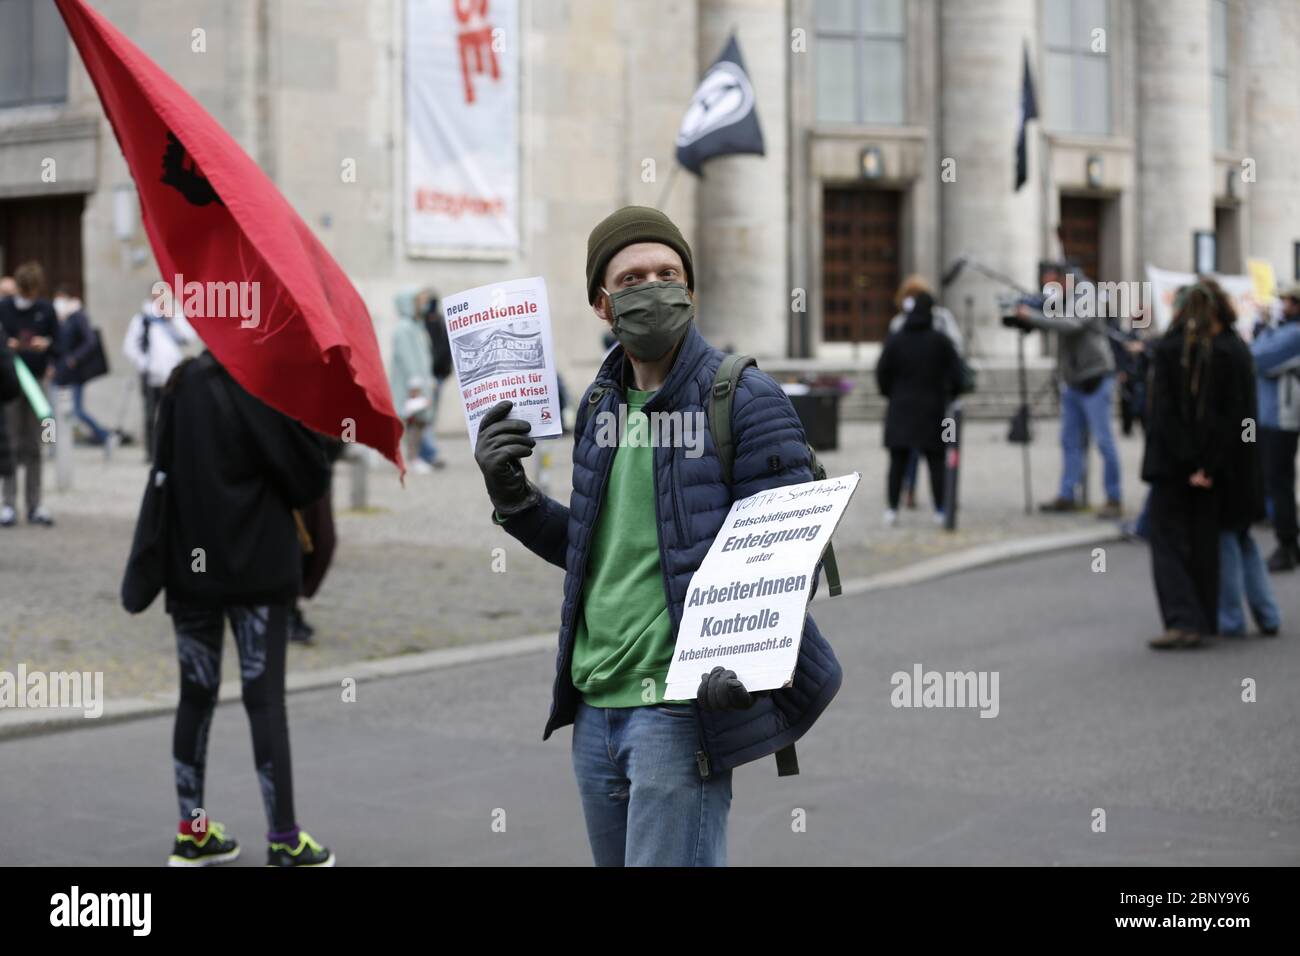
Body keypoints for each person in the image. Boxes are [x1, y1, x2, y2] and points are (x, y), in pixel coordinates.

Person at [473, 205, 841, 866]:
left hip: (676, 708)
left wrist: (748, 663)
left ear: (690, 291)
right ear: (602, 304)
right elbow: (591, 549)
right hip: (594, 707)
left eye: (668, 273)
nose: (655, 287)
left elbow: (788, 555)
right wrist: (514, 497)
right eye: (634, 277)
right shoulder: (599, 405)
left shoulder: (745, 397)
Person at [155, 350, 335, 866]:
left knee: (195, 695)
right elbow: (310, 478)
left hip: (189, 565)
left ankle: (192, 833)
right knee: (264, 699)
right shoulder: (269, 382)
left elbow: (160, 462)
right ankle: (283, 839)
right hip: (258, 566)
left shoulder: (181, 380)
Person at [1142, 281, 1238, 650]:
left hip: (1172, 465)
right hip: (1207, 469)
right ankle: (1203, 617)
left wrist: (1189, 463)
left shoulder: (1170, 350)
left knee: (1167, 542)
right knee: (1201, 542)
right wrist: (1208, 466)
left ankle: (1182, 619)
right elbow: (1230, 418)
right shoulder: (1225, 350)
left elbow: (1165, 415)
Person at [1015, 262, 1123, 519]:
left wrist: (1033, 316)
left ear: (1066, 279)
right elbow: (1055, 321)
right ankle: (1068, 494)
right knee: (1069, 441)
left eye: (1053, 283)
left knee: (1104, 441)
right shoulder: (1065, 298)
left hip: (1095, 377)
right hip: (1073, 381)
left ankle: (1114, 498)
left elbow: (1072, 324)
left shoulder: (1087, 294)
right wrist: (1029, 316)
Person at [1208, 285, 1281, 638]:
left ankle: (1232, 617)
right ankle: (1267, 613)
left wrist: (1223, 457)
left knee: (1228, 538)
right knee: (1242, 537)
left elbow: (1232, 416)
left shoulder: (1224, 352)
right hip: (1244, 453)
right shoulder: (1238, 347)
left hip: (1234, 458)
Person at [876, 292, 962, 526]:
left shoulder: (896, 339)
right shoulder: (940, 341)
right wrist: (950, 395)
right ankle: (941, 509)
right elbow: (957, 374)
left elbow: (882, 371)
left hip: (900, 408)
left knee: (897, 462)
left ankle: (892, 509)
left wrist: (890, 393)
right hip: (932, 410)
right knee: (936, 461)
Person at [0, 261, 59, 527]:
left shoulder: (46, 309)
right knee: (9, 442)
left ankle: (35, 503)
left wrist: (45, 344)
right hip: (10, 382)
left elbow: (59, 341)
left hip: (36, 381)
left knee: (35, 442)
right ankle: (8, 504)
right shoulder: (4, 308)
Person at [1249, 284, 1300, 571]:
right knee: (1280, 480)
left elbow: (1257, 358)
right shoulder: (1285, 330)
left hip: (1281, 417)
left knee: (1279, 481)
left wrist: (1266, 330)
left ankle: (1286, 545)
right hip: (1272, 415)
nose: (1282, 305)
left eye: (1287, 301)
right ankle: (1291, 542)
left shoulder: (1294, 333)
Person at [123, 293, 194, 461]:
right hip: (150, 376)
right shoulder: (143, 320)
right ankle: (151, 453)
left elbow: (190, 337)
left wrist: (173, 320)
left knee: (174, 413)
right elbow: (130, 346)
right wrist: (144, 364)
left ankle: (173, 451)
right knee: (150, 415)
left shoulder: (174, 316)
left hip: (172, 376)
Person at [52, 287, 111, 447]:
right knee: (51, 412)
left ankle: (104, 436)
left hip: (74, 373)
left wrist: (74, 358)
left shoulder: (77, 317)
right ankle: (50, 443)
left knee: (77, 410)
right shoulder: (59, 320)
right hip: (58, 371)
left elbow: (90, 341)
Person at [389, 289, 435, 474]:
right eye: (419, 301)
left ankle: (413, 456)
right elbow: (407, 357)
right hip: (410, 384)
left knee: (419, 420)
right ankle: (410, 458)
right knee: (412, 419)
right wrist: (414, 383)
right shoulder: (404, 328)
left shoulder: (416, 326)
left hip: (421, 381)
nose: (423, 305)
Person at [418, 288, 451, 469]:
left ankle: (426, 453)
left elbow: (444, 348)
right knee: (425, 417)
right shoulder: (422, 323)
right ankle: (426, 453)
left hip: (436, 376)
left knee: (430, 416)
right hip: (427, 377)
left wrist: (443, 372)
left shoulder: (437, 321)